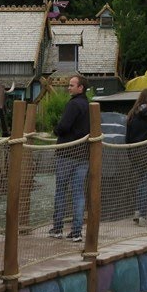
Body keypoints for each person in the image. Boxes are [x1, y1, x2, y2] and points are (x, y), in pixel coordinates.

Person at [48, 76, 90, 242]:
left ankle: (58, 228)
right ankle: (77, 231)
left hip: (67, 154)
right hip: (83, 154)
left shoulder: (73, 104)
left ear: (80, 88)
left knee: (61, 191)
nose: (68, 88)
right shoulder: (88, 105)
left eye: (72, 85)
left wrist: (56, 130)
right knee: (78, 192)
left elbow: (64, 126)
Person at [125, 89, 147, 225]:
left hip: (134, 151)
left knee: (140, 182)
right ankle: (143, 215)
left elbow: (127, 136)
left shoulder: (132, 114)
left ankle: (138, 211)